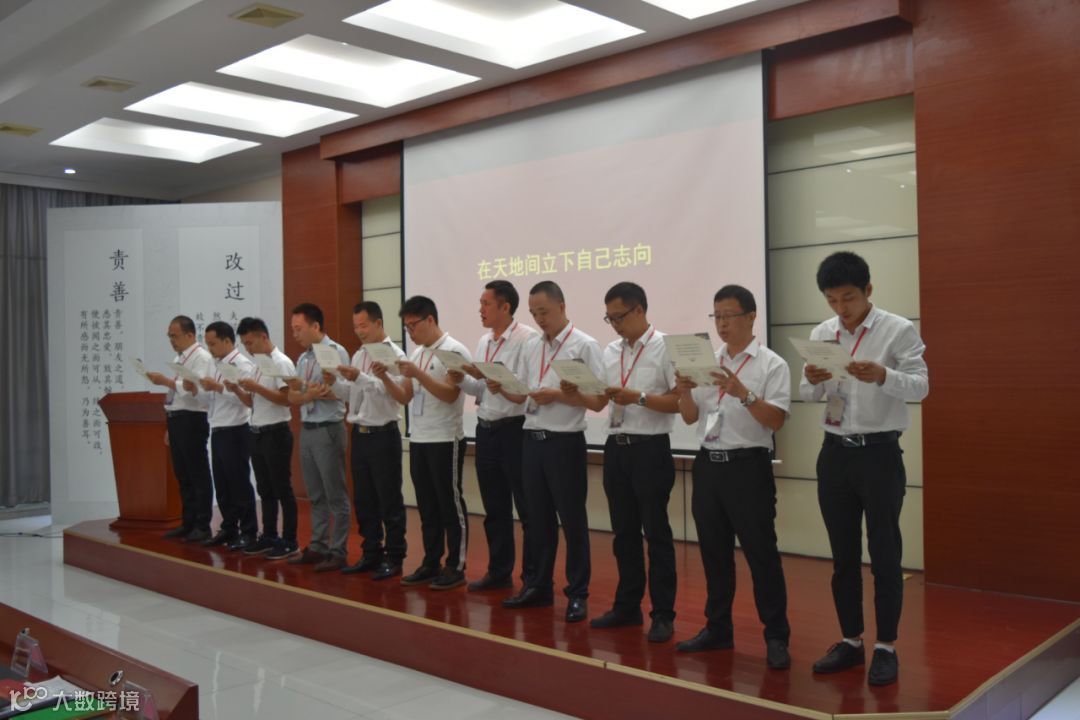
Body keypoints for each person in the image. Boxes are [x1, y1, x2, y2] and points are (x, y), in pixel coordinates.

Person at [800, 251, 928, 686]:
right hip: (834, 453)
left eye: (848, 298)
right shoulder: (822, 333)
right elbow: (808, 393)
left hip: (879, 454)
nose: (841, 308)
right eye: (832, 300)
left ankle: (886, 646)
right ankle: (851, 640)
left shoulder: (897, 329)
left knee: (885, 554)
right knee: (843, 556)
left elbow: (922, 385)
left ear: (868, 290)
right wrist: (812, 379)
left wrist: (883, 375)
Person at [674, 285, 792, 670]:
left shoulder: (772, 364)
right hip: (709, 465)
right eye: (717, 316)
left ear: (751, 316)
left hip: (748, 467)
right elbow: (691, 417)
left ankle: (776, 635)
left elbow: (776, 420)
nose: (722, 324)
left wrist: (743, 393)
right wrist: (684, 392)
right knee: (714, 552)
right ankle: (718, 628)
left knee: (761, 554)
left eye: (729, 315)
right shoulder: (707, 362)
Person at [501, 281, 606, 623]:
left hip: (564, 442)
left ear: (562, 306)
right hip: (531, 439)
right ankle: (538, 586)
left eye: (544, 312)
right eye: (534, 313)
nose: (539, 319)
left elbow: (598, 401)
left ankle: (577, 593)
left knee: (572, 521)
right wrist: (502, 386)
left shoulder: (584, 345)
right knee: (538, 519)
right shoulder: (532, 345)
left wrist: (559, 395)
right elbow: (524, 392)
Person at [589, 282, 679, 643]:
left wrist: (638, 397)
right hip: (616, 448)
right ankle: (627, 607)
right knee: (623, 534)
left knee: (656, 534)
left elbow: (678, 401)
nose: (614, 325)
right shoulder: (610, 351)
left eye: (619, 317)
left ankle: (663, 614)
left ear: (639, 310)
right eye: (609, 318)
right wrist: (578, 391)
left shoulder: (666, 347)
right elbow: (600, 400)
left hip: (650, 449)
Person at [449, 280, 538, 592]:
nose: (480, 310)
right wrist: (462, 379)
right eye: (480, 303)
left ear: (505, 307)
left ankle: (532, 578)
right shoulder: (484, 341)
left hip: (515, 430)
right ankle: (499, 572)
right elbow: (480, 389)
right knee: (495, 508)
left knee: (527, 509)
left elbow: (527, 389)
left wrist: (495, 380)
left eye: (485, 304)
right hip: (485, 430)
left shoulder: (528, 339)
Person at [380, 296, 472, 590]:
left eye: (413, 325)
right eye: (406, 327)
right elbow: (406, 396)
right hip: (419, 437)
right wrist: (386, 378)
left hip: (445, 438)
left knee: (450, 504)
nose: (410, 332)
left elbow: (450, 395)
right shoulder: (417, 353)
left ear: (430, 320)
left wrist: (418, 373)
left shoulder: (454, 350)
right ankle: (431, 562)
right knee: (427, 506)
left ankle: (455, 566)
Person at [331, 301, 408, 581]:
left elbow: (394, 392)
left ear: (378, 323)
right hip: (360, 433)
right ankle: (371, 551)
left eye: (363, 325)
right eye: (355, 327)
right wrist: (333, 382)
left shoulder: (395, 355)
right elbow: (351, 395)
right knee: (364, 499)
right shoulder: (358, 354)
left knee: (389, 498)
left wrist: (361, 377)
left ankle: (395, 555)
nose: (359, 331)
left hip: (383, 434)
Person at [286, 303, 351, 573]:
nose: (295, 335)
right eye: (292, 330)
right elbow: (293, 397)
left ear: (315, 326)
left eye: (299, 329)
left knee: (335, 494)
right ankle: (318, 545)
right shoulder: (303, 358)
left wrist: (312, 393)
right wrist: (310, 393)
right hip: (308, 428)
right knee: (315, 494)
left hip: (328, 428)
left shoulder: (335, 352)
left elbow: (344, 391)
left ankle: (338, 550)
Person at [145, 315, 214, 543]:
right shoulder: (180, 357)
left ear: (190, 335)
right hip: (177, 418)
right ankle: (188, 522)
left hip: (192, 418)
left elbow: (195, 390)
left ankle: (202, 525)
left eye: (174, 336)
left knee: (197, 473)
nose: (171, 341)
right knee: (183, 474)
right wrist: (169, 422)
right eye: (169, 336)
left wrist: (165, 381)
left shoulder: (201, 357)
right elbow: (177, 392)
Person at [236, 317, 299, 560]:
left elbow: (286, 400)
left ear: (263, 337)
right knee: (265, 489)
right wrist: (237, 389)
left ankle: (290, 540)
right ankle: (269, 535)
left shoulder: (281, 362)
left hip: (276, 432)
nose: (248, 349)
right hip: (258, 431)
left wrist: (257, 387)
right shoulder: (257, 364)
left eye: (250, 343)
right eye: (244, 344)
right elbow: (253, 402)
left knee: (282, 488)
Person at [197, 320, 259, 551]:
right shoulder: (216, 364)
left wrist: (218, 387)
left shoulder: (242, 364)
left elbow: (246, 399)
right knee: (222, 483)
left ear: (227, 341)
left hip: (236, 428)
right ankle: (229, 527)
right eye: (207, 344)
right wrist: (199, 389)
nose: (210, 349)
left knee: (239, 482)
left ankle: (249, 531)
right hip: (218, 427)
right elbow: (211, 400)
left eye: (213, 344)